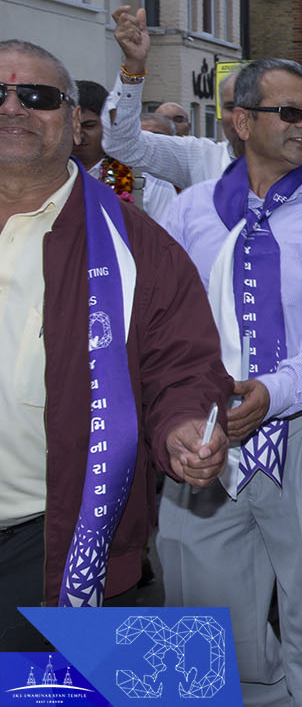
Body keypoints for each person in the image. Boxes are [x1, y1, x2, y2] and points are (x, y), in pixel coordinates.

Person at [156, 58, 302, 705]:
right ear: (241, 120)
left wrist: (276, 390)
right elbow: (163, 318)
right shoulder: (191, 211)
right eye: (291, 112)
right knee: (204, 608)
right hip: (201, 429)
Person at [0, 39, 229, 649]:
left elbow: (182, 364)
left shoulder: (137, 244)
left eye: (37, 97)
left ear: (77, 124)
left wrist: (182, 425)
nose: (13, 107)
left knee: (47, 693)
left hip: (58, 542)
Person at [102, 6, 240, 188]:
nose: (240, 117)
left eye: (252, 107)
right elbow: (123, 145)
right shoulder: (201, 157)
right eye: (230, 107)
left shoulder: (290, 161)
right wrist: (134, 66)